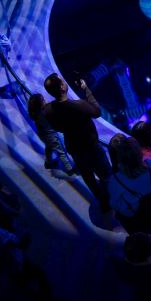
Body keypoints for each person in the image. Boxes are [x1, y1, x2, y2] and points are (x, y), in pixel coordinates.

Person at [43, 73, 111, 210]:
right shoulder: (79, 105)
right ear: (62, 87)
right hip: (91, 147)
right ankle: (115, 198)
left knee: (89, 178)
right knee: (106, 175)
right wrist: (86, 89)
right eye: (62, 81)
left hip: (74, 148)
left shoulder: (48, 110)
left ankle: (103, 203)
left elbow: (57, 125)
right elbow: (97, 111)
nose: (64, 82)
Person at [107, 134, 151, 238]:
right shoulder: (150, 164)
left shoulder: (114, 180)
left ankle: (141, 240)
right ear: (139, 153)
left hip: (134, 216)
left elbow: (114, 203)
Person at [27, 93, 73, 174]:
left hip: (43, 135)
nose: (45, 100)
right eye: (43, 100)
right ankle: (69, 169)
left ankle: (48, 163)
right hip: (50, 135)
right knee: (60, 151)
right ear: (40, 104)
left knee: (49, 147)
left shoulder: (35, 113)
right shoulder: (44, 113)